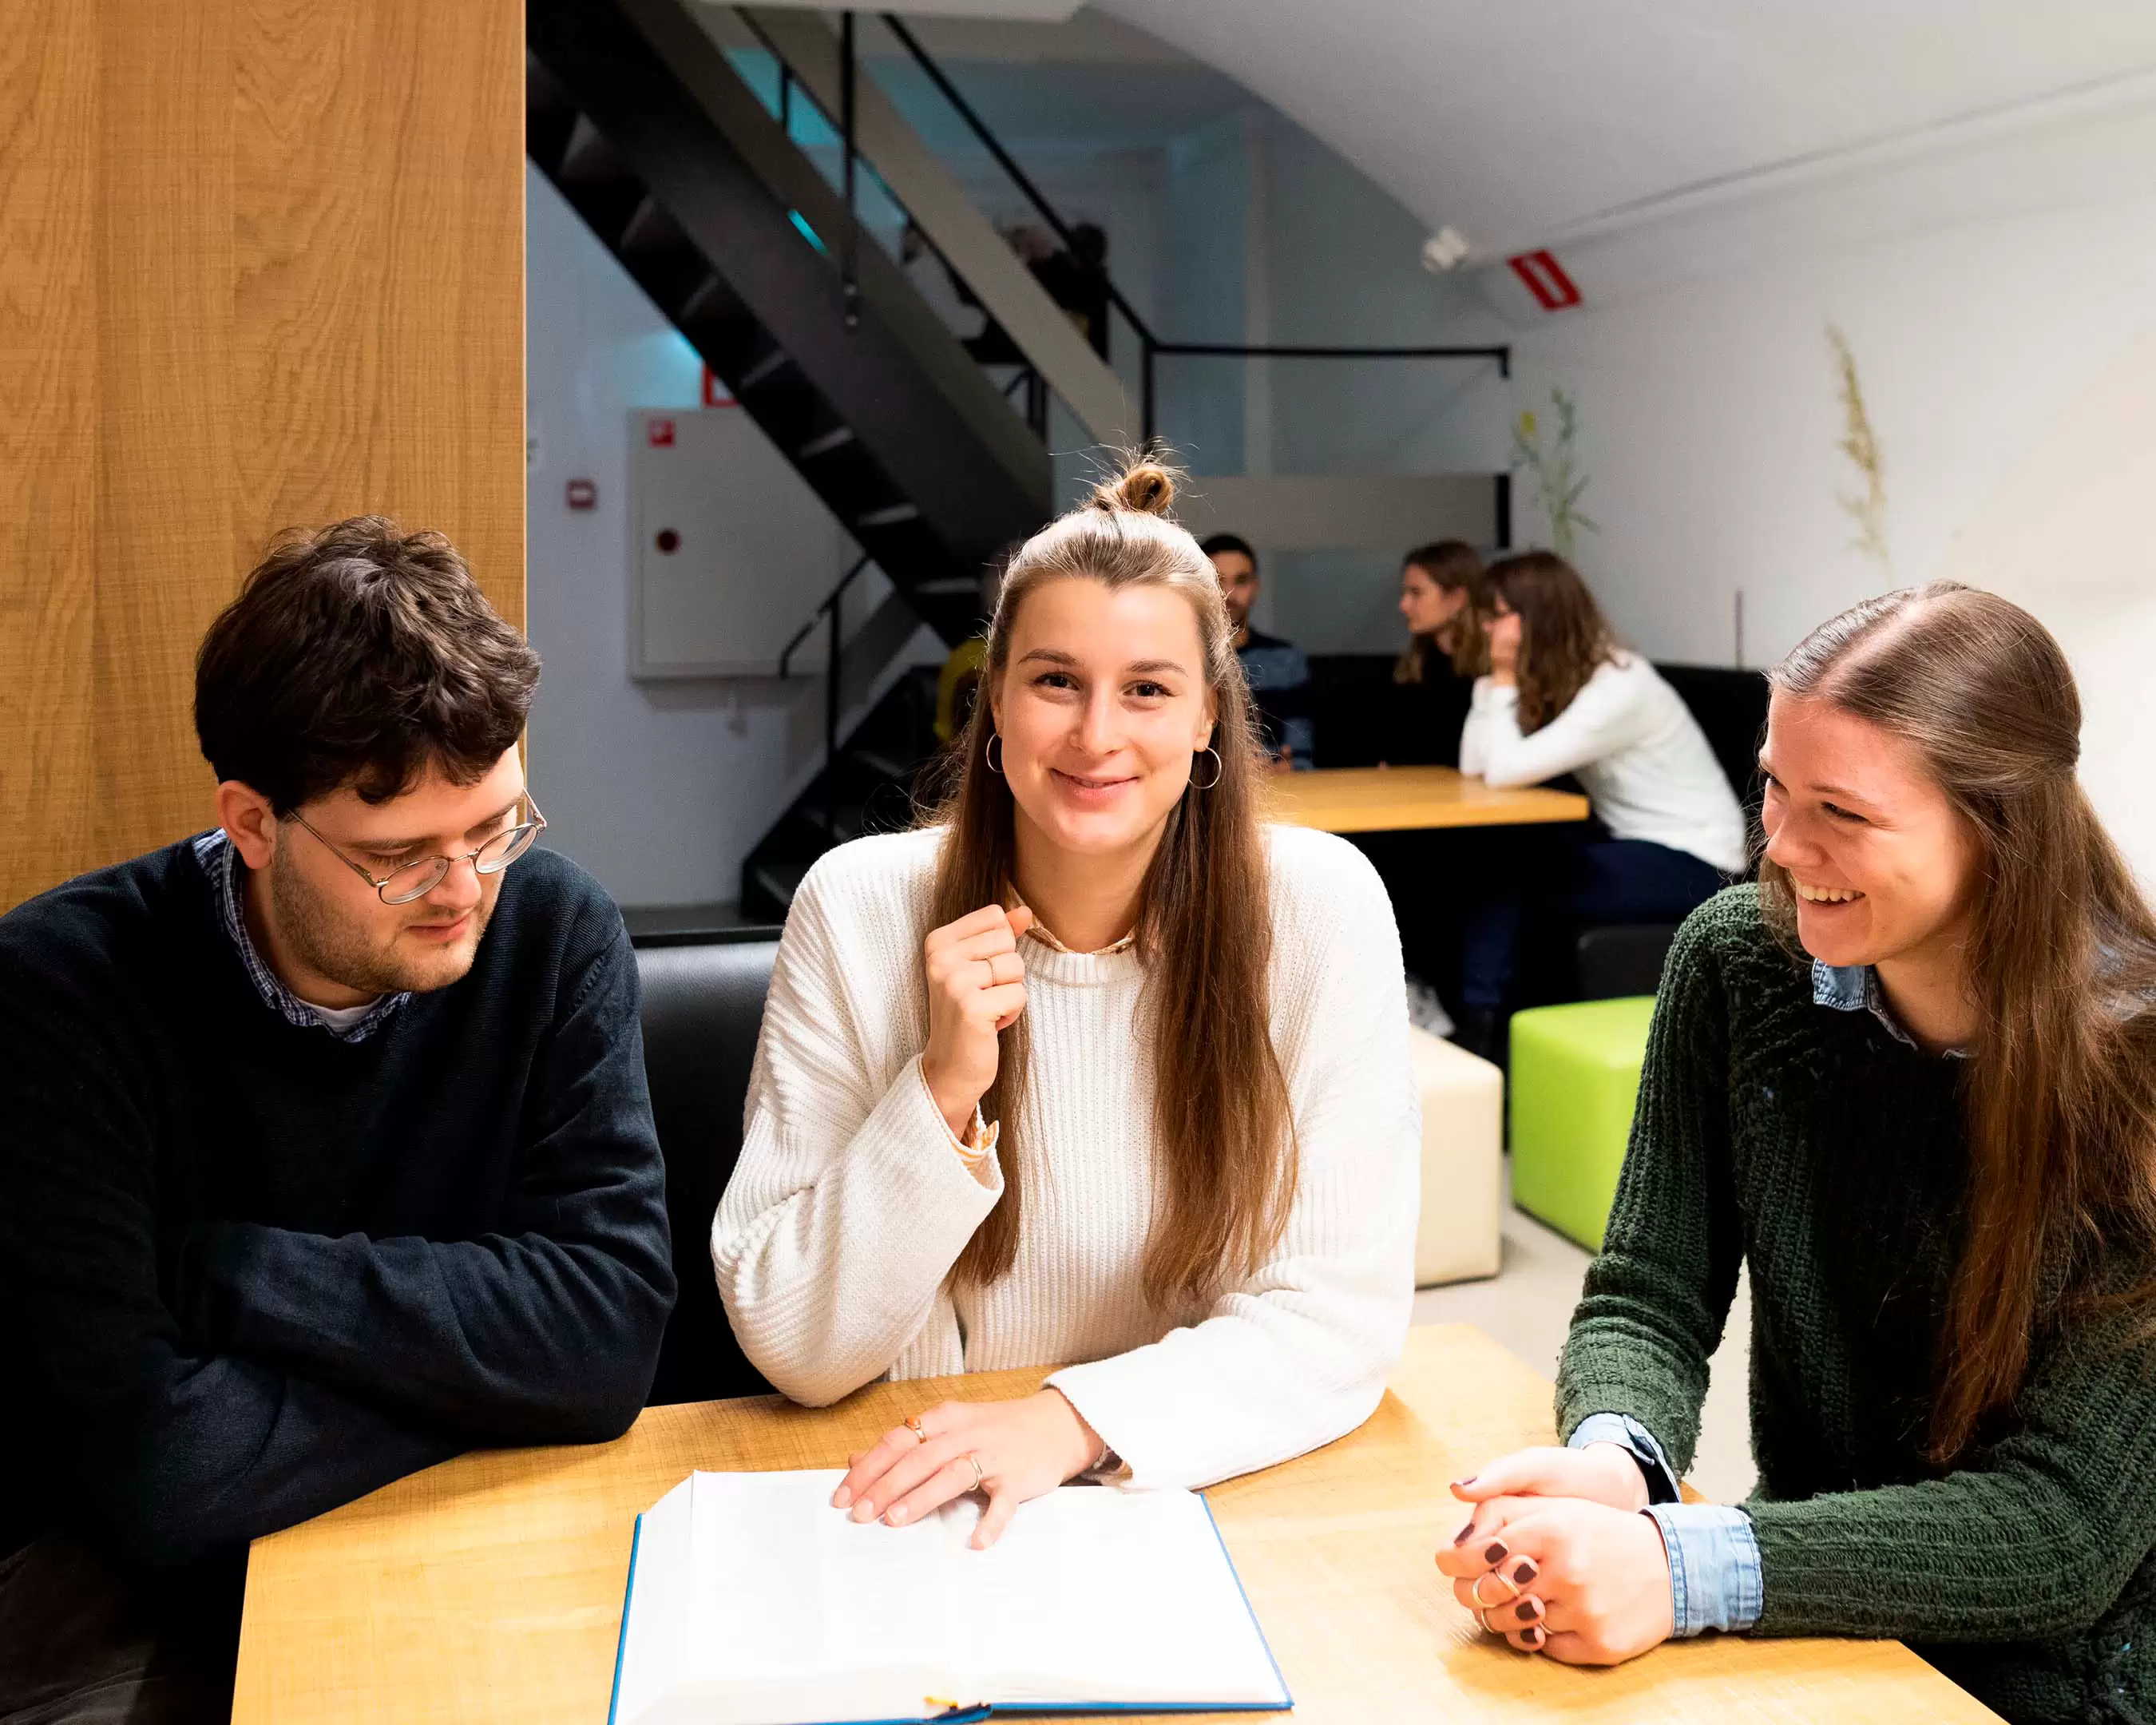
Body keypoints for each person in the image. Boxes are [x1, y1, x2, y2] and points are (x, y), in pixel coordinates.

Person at [1440, 583, 2156, 1723]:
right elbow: (1649, 1295)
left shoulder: (2138, 1071)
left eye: (1844, 812)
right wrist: (1619, 1459)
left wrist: (1681, 1568)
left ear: (1998, 824)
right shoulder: (1741, 967)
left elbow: (2064, 1526)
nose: (1781, 845)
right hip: (1805, 1619)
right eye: (1774, 784)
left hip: (2055, 1682)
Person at [0, 519, 675, 1723]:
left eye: (494, 829)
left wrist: (248, 1276)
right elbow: (163, 1477)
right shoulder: (59, 989)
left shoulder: (556, 931)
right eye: (401, 859)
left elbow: (610, 1340)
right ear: (252, 824)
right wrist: (490, 1381)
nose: (466, 895)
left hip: (466, 1553)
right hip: (134, 1601)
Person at [714, 457, 1417, 1549]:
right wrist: (942, 1089)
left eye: (1147, 688)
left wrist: (1073, 1421)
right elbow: (795, 1343)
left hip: (1205, 1486)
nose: (1096, 736)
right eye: (1054, 681)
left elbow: (1340, 1317)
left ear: (1206, 719)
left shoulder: (1320, 910)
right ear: (993, 699)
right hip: (910, 1497)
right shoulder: (856, 908)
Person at [1455, 551, 1745, 1050]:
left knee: (1513, 875)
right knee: (1500, 857)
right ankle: (1485, 1018)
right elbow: (1474, 768)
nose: (1486, 627)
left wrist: (1501, 681)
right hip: (1637, 843)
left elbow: (1501, 771)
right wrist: (1492, 685)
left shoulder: (1620, 684)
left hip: (1697, 860)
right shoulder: (1575, 677)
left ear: (1537, 616)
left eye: (1497, 614)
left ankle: (1480, 1025)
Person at [1202, 531, 1314, 770]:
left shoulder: (1286, 660)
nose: (1229, 593)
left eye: (1240, 581)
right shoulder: (1180, 660)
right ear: (1199, 585)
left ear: (1255, 587)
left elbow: (1302, 755)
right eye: (1217, 580)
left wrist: (1287, 768)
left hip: (1277, 792)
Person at [1377, 539, 1492, 768]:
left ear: (1457, 599)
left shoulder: (1492, 669)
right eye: (1405, 593)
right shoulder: (1415, 666)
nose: (1404, 605)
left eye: (1416, 593)